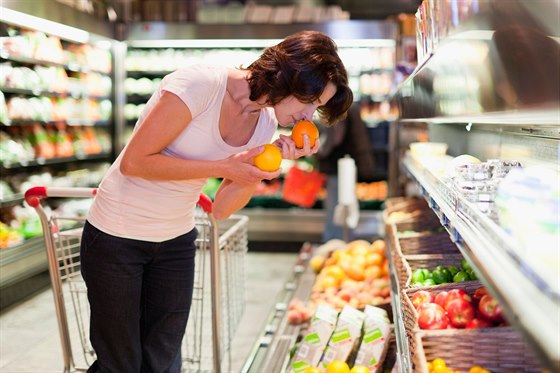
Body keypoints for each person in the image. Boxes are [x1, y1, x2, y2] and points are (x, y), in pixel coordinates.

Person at [80, 30, 353, 372]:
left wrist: (262, 165)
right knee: (120, 362)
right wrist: (223, 166)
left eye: (318, 108)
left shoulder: (265, 123)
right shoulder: (201, 84)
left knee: (162, 360)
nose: (308, 116)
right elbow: (135, 162)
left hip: (176, 239)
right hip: (117, 235)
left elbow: (222, 207)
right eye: (310, 101)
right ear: (291, 75)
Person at [316, 102, 376, 242]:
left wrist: (319, 152)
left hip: (338, 167)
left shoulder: (340, 108)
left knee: (336, 211)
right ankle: (344, 245)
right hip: (347, 166)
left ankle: (334, 246)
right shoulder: (350, 106)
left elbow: (334, 140)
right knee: (344, 207)